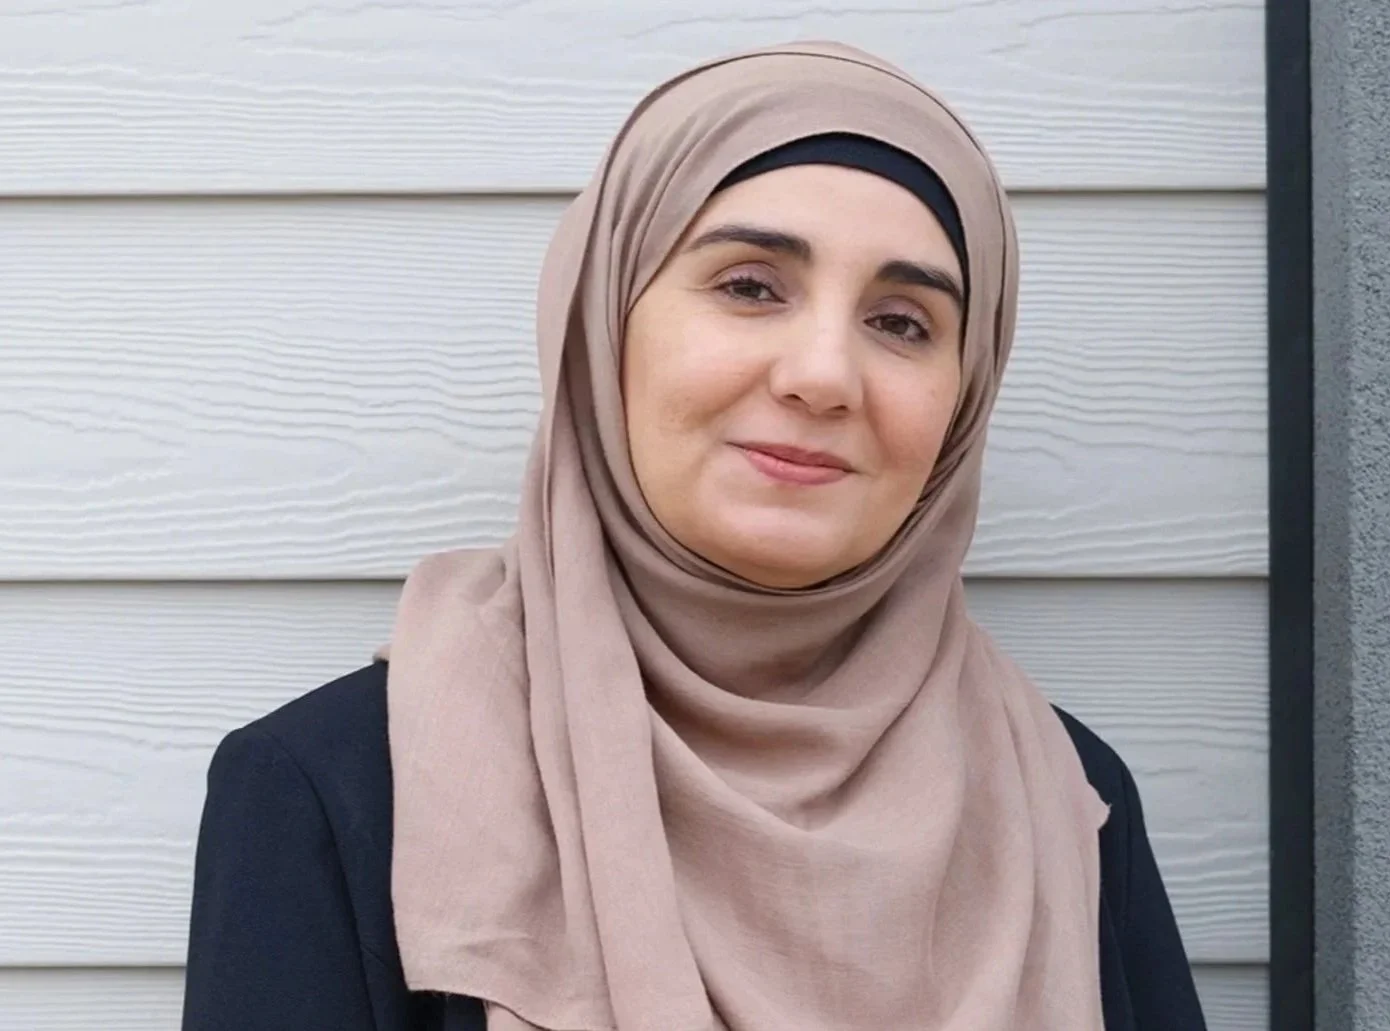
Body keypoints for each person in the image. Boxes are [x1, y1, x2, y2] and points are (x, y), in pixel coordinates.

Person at [181, 41, 1206, 1031]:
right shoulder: (337, 788)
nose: (822, 375)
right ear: (602, 323)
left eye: (900, 321)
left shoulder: (1065, 797)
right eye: (749, 285)